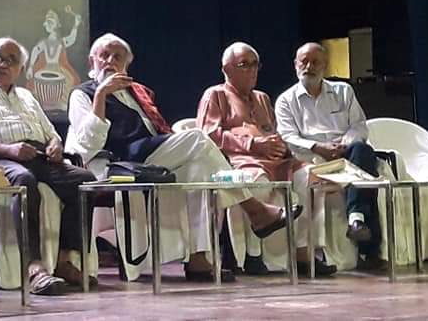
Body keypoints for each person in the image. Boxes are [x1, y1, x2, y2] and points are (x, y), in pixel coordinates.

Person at [66, 33, 295, 282]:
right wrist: (101, 95)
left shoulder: (135, 92)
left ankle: (198, 258)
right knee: (197, 137)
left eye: (117, 57)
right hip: (117, 161)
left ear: (126, 65)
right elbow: (89, 144)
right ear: (92, 62)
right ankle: (254, 209)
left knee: (200, 170)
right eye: (104, 56)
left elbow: (156, 131)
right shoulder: (82, 94)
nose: (110, 61)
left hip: (149, 157)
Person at [0, 37, 95, 295]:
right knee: (24, 180)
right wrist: (8, 150)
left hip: (37, 156)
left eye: (11, 60)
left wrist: (55, 145)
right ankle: (34, 267)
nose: (2, 64)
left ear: (21, 69)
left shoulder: (26, 96)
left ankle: (63, 260)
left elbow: (51, 134)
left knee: (85, 180)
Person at [196, 41, 336, 276]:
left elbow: (272, 131)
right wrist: (252, 144)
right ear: (227, 69)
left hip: (276, 162)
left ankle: (302, 253)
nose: (252, 70)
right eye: (244, 65)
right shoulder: (215, 95)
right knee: (258, 180)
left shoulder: (261, 98)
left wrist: (279, 145)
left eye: (255, 65)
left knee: (310, 178)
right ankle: (253, 255)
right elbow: (208, 135)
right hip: (239, 162)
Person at [275, 42, 383, 269]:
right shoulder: (286, 100)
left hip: (345, 152)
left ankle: (356, 220)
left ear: (325, 65)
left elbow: (359, 126)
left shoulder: (343, 91)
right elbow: (287, 136)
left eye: (315, 62)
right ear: (295, 65)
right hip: (309, 157)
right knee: (363, 172)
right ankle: (368, 248)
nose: (309, 67)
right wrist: (318, 147)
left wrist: (343, 144)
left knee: (363, 153)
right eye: (304, 62)